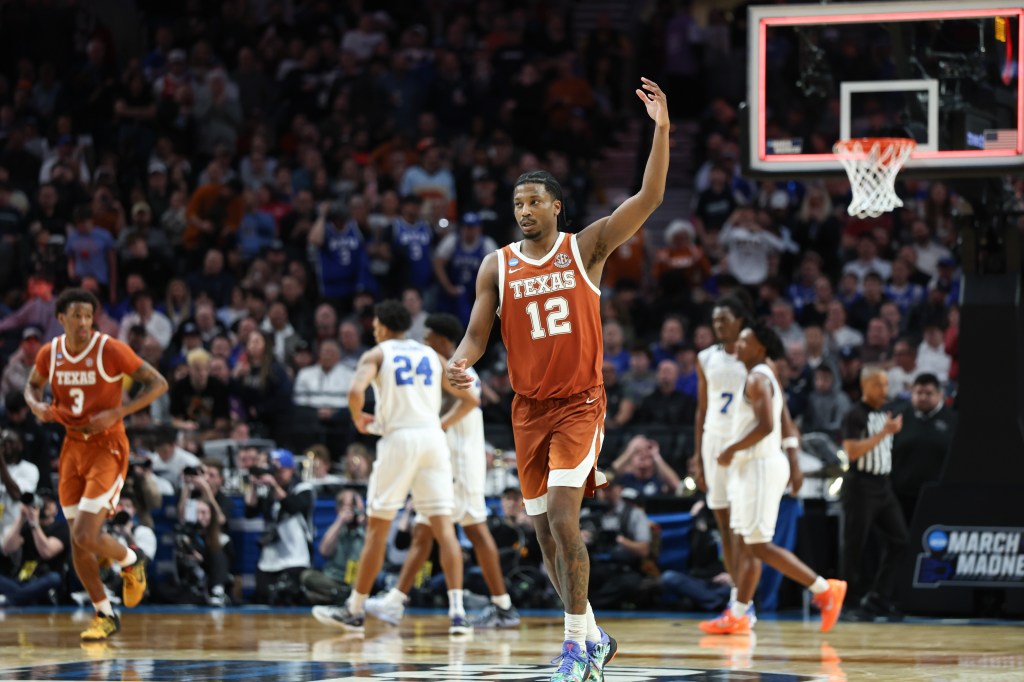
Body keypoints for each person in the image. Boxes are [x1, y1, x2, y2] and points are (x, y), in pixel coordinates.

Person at [447, 78, 669, 682]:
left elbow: (649, 197)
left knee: (566, 519)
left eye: (534, 202)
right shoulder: (497, 264)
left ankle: (575, 648)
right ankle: (593, 635)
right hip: (526, 411)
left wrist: (661, 127)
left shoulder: (586, 248)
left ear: (555, 208)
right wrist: (461, 359)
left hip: (579, 404)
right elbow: (476, 332)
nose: (524, 211)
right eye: (517, 204)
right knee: (543, 532)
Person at [311, 300, 477, 635]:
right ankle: (458, 613)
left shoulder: (377, 354)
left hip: (398, 439)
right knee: (444, 528)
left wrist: (359, 419)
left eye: (375, 327)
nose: (374, 332)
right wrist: (441, 425)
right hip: (432, 440)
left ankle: (355, 610)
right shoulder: (431, 355)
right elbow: (471, 397)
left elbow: (356, 391)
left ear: (383, 328)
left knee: (378, 527)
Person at [23, 288, 168, 640]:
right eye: (77, 316)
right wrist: (35, 405)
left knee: (85, 533)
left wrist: (119, 411)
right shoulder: (50, 353)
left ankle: (131, 561)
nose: (84, 323)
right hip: (72, 448)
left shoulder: (109, 349)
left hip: (107, 447)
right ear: (61, 319)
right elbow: (32, 387)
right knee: (78, 543)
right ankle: (105, 613)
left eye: (89, 316)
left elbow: (158, 383)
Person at [363, 313, 521, 629]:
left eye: (428, 338)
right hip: (444, 464)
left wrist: (434, 426)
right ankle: (396, 601)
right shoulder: (444, 369)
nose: (423, 344)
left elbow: (468, 403)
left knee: (475, 530)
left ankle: (502, 607)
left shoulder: (457, 370)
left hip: (459, 465)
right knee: (424, 531)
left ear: (443, 341)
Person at [699, 324, 846, 635]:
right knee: (743, 543)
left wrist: (730, 449)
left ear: (761, 348)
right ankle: (738, 613)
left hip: (760, 468)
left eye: (744, 341)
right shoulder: (760, 374)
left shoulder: (758, 378)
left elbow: (767, 425)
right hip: (746, 468)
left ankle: (824, 589)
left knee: (760, 545)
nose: (737, 345)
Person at [840, 366, 911, 620]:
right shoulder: (854, 415)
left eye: (886, 384)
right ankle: (848, 603)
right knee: (854, 547)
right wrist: (884, 433)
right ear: (866, 386)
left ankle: (878, 596)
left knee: (901, 541)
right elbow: (852, 452)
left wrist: (888, 431)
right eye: (879, 385)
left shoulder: (885, 413)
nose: (885, 390)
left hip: (883, 486)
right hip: (861, 485)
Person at [890, 373, 957, 525]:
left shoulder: (953, 420)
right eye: (919, 393)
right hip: (902, 494)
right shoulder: (898, 417)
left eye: (929, 393)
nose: (923, 397)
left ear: (940, 395)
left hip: (940, 495)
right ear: (911, 394)